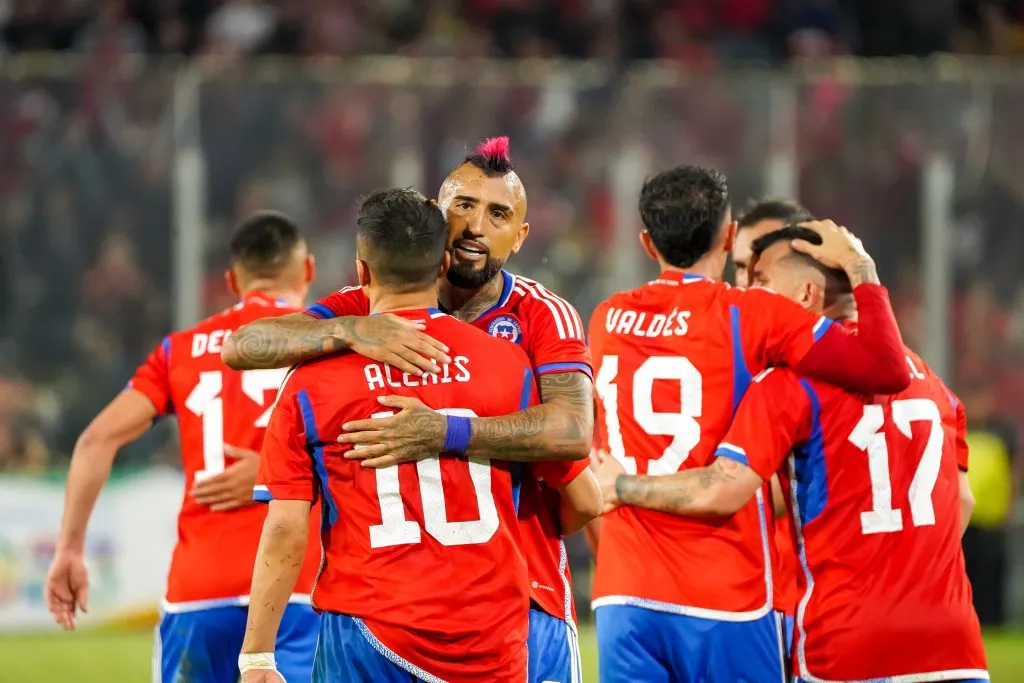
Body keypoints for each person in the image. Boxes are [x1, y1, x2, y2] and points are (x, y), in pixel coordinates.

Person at [224, 137, 599, 683]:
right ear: (436, 218)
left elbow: (571, 431)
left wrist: (443, 432)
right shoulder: (370, 304)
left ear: (519, 238)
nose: (475, 225)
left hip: (525, 597)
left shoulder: (541, 316)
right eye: (464, 207)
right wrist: (349, 328)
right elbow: (243, 346)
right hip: (407, 601)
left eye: (497, 215)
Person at [594, 225, 988, 682]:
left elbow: (723, 487)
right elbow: (961, 502)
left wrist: (620, 484)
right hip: (952, 643)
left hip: (845, 641)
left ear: (805, 294)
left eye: (761, 281)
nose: (747, 291)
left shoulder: (790, 384)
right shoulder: (934, 384)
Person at [45, 212, 323, 682]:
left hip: (200, 590)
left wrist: (69, 550)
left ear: (233, 279)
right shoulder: (330, 342)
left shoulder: (181, 349)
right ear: (309, 270)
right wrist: (274, 473)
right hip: (300, 588)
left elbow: (96, 440)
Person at [731, 197, 816, 656]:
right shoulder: (730, 364)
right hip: (739, 611)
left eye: (760, 275)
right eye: (740, 270)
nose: (745, 288)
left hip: (801, 611)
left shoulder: (825, 379)